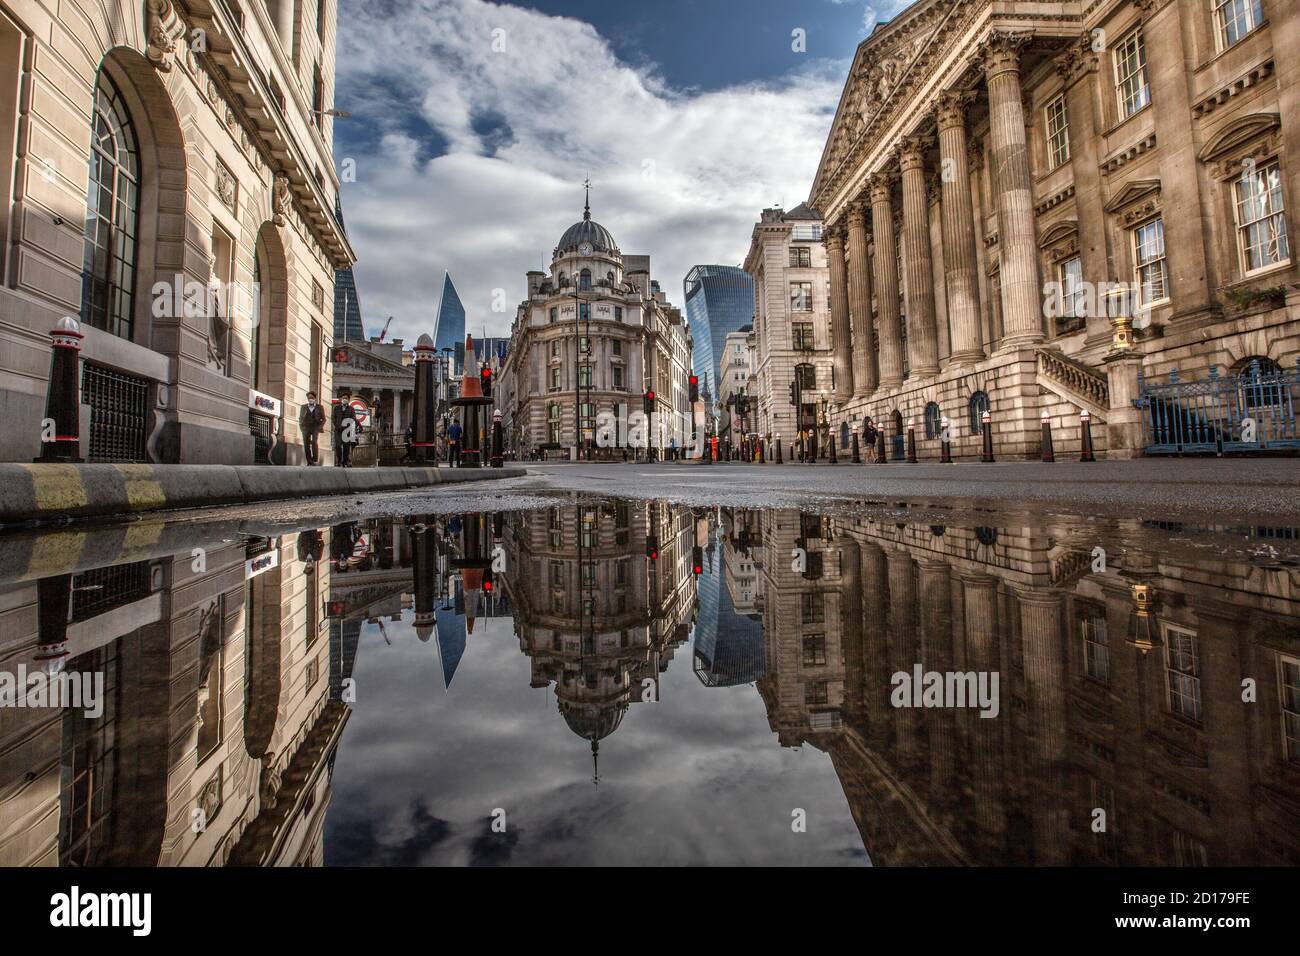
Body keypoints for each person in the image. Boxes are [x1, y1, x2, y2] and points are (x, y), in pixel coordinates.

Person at [300, 391, 326, 465]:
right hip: (306, 427)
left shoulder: (320, 407)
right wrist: (301, 427)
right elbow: (300, 418)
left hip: (315, 427)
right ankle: (309, 461)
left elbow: (324, 419)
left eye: (311, 398)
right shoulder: (303, 407)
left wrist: (319, 427)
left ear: (315, 398)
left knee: (314, 442)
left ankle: (314, 458)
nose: (310, 399)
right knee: (306, 444)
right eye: (309, 398)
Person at [334, 392, 359, 467]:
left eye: (346, 398)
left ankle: (345, 461)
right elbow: (333, 418)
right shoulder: (336, 408)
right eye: (343, 398)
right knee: (338, 446)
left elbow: (353, 418)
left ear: (348, 400)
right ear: (341, 399)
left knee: (346, 447)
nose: (344, 399)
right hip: (338, 430)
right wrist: (337, 425)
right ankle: (339, 460)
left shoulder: (351, 409)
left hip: (347, 430)